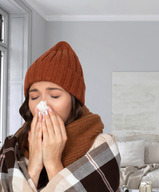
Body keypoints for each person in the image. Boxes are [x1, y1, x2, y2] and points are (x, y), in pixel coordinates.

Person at [0, 41, 121, 191]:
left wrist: (53, 163)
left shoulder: (101, 146)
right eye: (34, 97)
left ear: (74, 101)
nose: (42, 105)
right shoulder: (12, 147)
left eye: (55, 95)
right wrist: (34, 168)